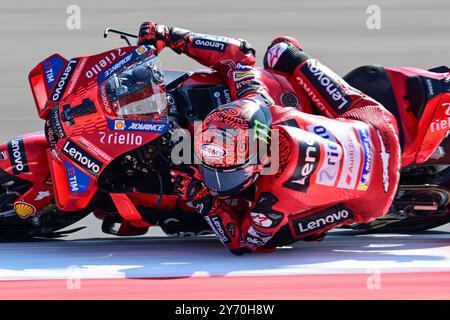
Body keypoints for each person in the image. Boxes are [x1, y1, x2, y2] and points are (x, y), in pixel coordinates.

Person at [138, 22, 401, 255]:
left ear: (261, 161)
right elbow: (239, 56)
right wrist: (173, 36)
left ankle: (318, 227)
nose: (220, 183)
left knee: (279, 236)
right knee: (280, 52)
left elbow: (242, 242)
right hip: (373, 126)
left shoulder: (274, 196)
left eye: (231, 173)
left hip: (373, 197)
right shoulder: (256, 102)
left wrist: (202, 200)